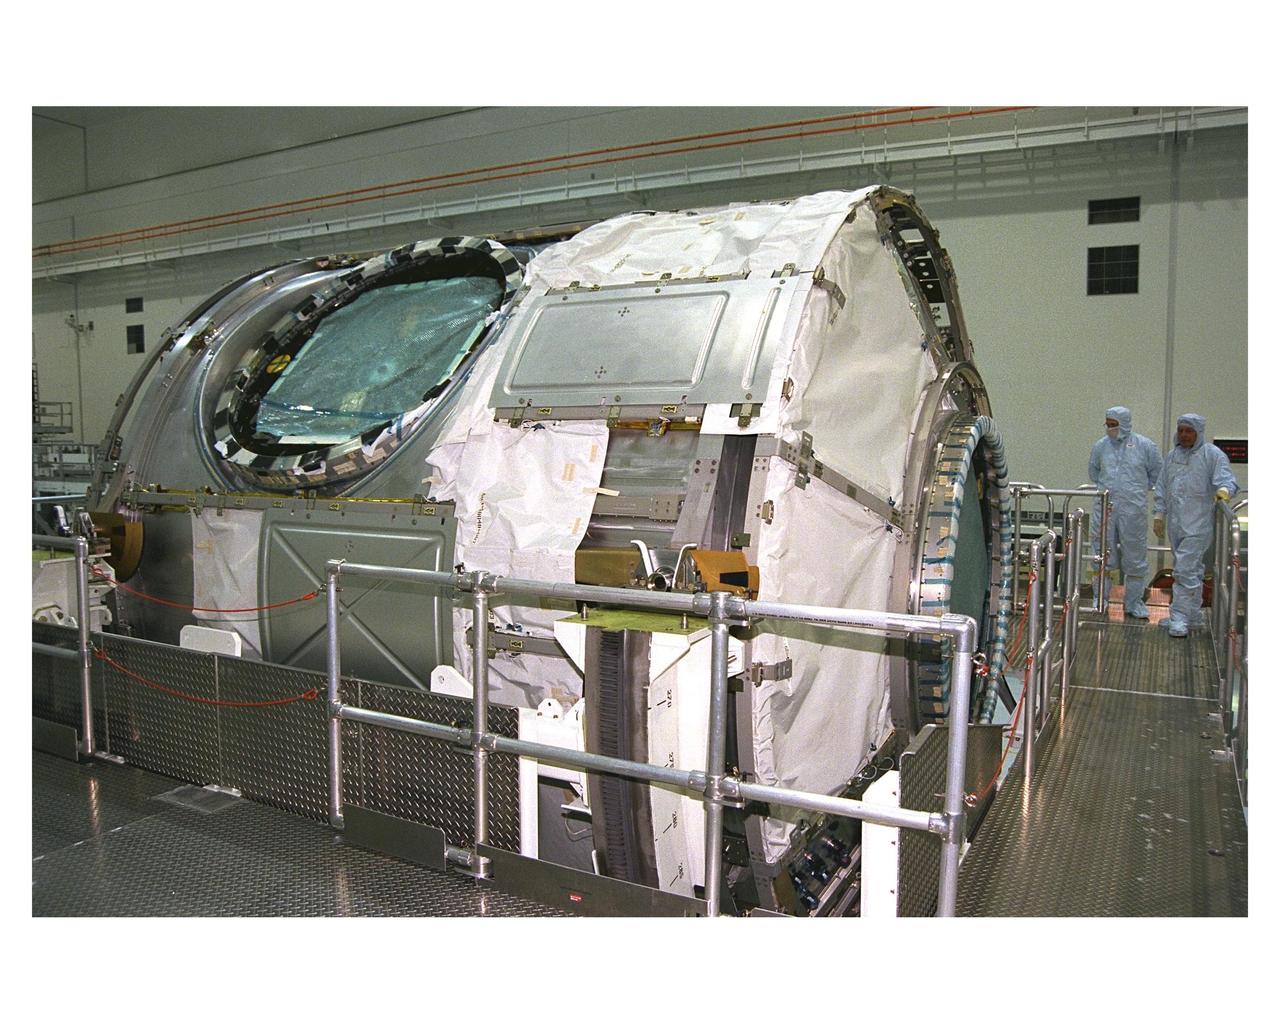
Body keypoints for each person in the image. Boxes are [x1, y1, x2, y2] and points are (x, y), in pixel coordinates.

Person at [1153, 413, 1238, 638]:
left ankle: (1179, 617)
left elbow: (1227, 480)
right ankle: (1192, 615)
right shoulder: (1172, 456)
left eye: (1189, 431)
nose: (1184, 435)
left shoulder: (1211, 455)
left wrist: (1223, 492)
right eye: (1181, 430)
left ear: (1198, 432)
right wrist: (1159, 514)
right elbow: (1162, 486)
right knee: (1191, 570)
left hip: (1198, 524)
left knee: (1184, 570)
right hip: (1176, 524)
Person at [1088, 406, 1162, 617]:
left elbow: (1158, 475)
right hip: (1104, 508)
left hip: (1133, 509)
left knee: (1135, 556)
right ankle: (1099, 599)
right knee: (1101, 554)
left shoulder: (1145, 446)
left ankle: (1133, 603)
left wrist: (1135, 492)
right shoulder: (1101, 447)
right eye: (1108, 424)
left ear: (1125, 424)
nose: (1110, 429)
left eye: (1114, 425)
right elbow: (1093, 472)